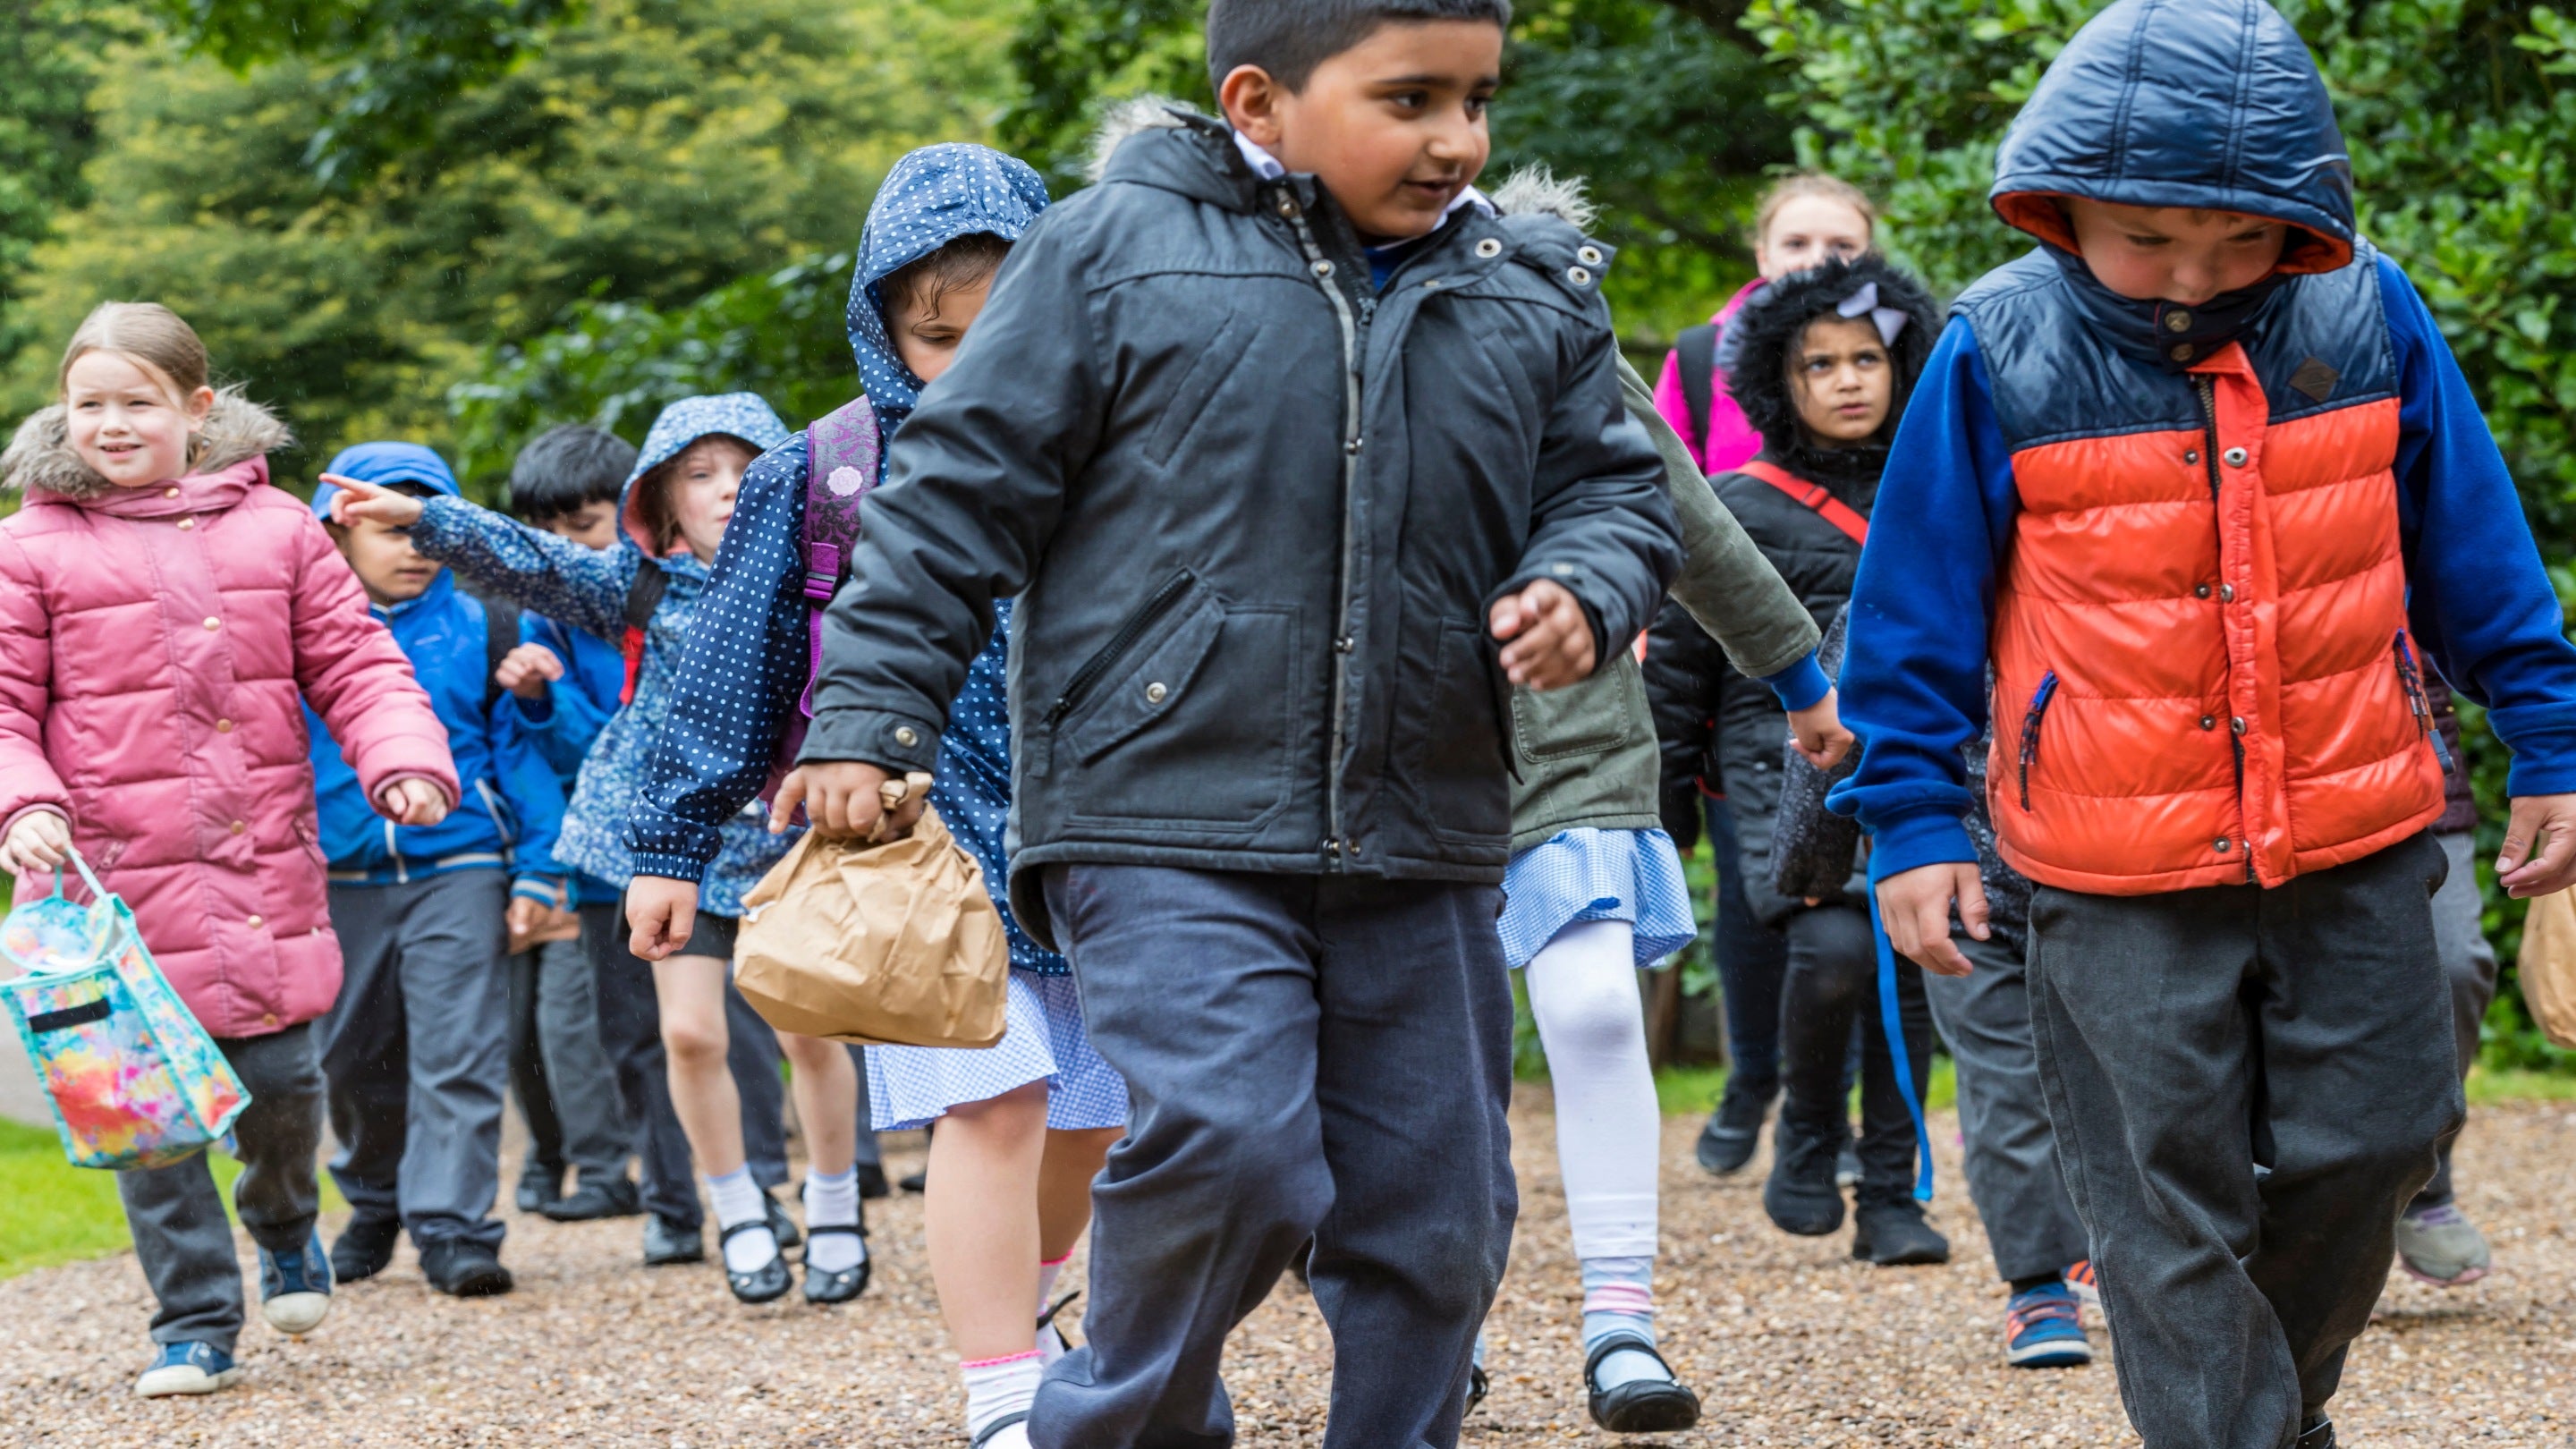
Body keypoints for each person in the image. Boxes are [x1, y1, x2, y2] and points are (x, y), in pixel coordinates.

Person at [775, 0, 1684, 1434]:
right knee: (1238, 1147)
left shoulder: (1531, 289)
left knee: (1437, 1218)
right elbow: (951, 492)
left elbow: (1617, 489)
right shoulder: (1109, 252)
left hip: (1425, 814)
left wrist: (1582, 575)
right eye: (1411, 99)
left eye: (1479, 98)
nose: (1460, 140)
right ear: (1260, 104)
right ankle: (1122, 1423)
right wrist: (868, 716)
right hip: (1155, 810)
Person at [1832, 3, 2576, 1445]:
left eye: (2243, 243)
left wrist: (2553, 739)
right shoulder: (1998, 346)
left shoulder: (2371, 313)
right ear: (2065, 208)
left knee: (2381, 1140)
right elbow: (1913, 608)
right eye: (2151, 241)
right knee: (2162, 1194)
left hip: (2356, 829)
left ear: (2300, 221)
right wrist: (1914, 821)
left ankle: (2265, 1417)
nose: (2196, 277)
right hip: (2108, 867)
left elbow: (2475, 550)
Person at [627, 142, 1127, 1449]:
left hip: (1104, 839)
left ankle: (1027, 1293)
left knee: (1098, 1121)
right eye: (933, 339)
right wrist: (672, 844)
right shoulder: (824, 471)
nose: (966, 367)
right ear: (880, 326)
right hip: (913, 846)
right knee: (993, 1099)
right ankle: (1004, 1398)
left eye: (1000, 331)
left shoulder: (1128, 450)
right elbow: (733, 672)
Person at [0, 302, 456, 1395]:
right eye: (90, 402)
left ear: (196, 412)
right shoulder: (30, 547)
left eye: (137, 402)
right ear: (66, 411)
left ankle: (287, 1223)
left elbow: (357, 665)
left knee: (285, 1086)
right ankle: (194, 1322)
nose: (111, 423)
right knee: (147, 1122)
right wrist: (25, 807)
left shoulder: (282, 531)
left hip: (259, 868)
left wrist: (402, 756)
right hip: (112, 886)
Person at [326, 395, 864, 1306]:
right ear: (660, 500)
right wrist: (426, 517)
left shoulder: (824, 582)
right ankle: (733, 1208)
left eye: (747, 471)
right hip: (672, 841)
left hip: (789, 841)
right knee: (686, 1034)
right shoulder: (640, 585)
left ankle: (837, 1203)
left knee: (807, 1037)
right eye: (700, 475)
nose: (727, 492)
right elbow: (534, 558)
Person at [1474, 182, 1838, 1429]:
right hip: (1376, 756)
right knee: (1419, 1053)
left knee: (1586, 1009)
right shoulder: (1281, 320)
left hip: (1567, 731)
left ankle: (1620, 1322)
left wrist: (1799, 677)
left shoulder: (1544, 309)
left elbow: (1681, 506)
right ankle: (1420, 1314)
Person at [1643, 254, 1949, 1267]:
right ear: (1782, 380)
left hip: (1911, 774)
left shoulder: (1938, 492)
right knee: (1831, 961)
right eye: (1822, 365)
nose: (1850, 380)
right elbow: (1679, 673)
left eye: (1869, 357)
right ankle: (1810, 1135)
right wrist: (1662, 818)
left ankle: (1894, 1198)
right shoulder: (1737, 502)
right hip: (1776, 792)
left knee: (1905, 983)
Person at [306, 443, 573, 1300]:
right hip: (339, 877)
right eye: (387, 523)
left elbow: (523, 763)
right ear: (338, 530)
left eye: (423, 520)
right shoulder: (296, 630)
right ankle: (376, 1201)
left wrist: (537, 873)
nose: (412, 543)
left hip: (460, 864)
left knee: (458, 1055)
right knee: (353, 1060)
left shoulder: (488, 625)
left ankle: (456, 1230)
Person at [1653, 174, 1875, 477]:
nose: (1818, 260)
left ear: (1870, 257)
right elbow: (1669, 484)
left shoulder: (1907, 350)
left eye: (1843, 246)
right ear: (1763, 257)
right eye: (1795, 244)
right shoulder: (1698, 356)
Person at [2399, 682, 2499, 1285]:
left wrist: (2552, 756)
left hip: (2416, 754)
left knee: (2456, 965)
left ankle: (2422, 1184)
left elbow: (2502, 618)